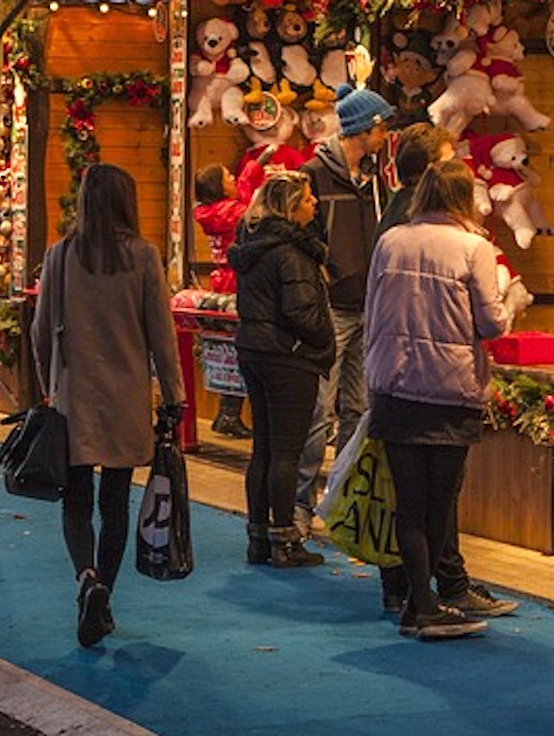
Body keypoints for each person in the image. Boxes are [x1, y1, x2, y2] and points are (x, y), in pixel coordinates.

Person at [31, 163, 185, 648]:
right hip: (126, 396)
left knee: (75, 501)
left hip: (73, 395)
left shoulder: (60, 255)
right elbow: (161, 335)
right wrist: (174, 395)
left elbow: (40, 330)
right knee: (115, 503)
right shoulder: (143, 257)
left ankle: (86, 578)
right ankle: (105, 597)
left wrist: (49, 384)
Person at [365, 159, 509, 640]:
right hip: (448, 388)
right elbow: (491, 323)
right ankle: (426, 608)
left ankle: (417, 604)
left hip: (394, 383)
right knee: (438, 505)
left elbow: (371, 311)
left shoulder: (391, 240)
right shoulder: (474, 247)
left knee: (409, 504)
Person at [294, 83, 394, 540]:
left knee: (357, 408)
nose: (385, 135)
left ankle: (342, 504)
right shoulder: (315, 174)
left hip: (369, 305)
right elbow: (303, 234)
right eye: (380, 127)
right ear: (363, 129)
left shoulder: (375, 180)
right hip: (333, 307)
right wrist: (328, 271)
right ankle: (300, 504)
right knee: (318, 411)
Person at [227, 172, 335, 567]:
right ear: (290, 207)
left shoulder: (252, 244)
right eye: (307, 199)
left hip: (254, 350)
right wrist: (323, 339)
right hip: (288, 357)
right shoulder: (292, 252)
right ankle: (285, 541)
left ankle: (259, 537)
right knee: (287, 452)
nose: (314, 204)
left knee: (264, 449)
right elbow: (301, 311)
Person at [193, 145, 275, 439]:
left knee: (229, 350)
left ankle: (226, 413)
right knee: (241, 351)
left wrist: (257, 164)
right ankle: (229, 413)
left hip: (222, 282)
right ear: (219, 186)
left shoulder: (213, 211)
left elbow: (241, 190)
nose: (233, 178)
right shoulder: (233, 212)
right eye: (228, 176)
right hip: (238, 283)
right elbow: (253, 210)